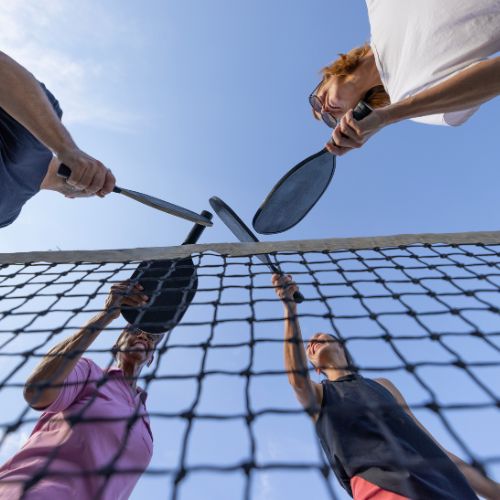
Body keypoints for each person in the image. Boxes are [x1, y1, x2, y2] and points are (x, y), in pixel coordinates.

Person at [272, 273, 500, 500]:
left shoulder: (383, 385)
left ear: (340, 345)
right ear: (317, 370)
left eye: (319, 337)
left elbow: (429, 443)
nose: (312, 342)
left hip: (445, 488)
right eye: (309, 346)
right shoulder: (321, 394)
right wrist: (289, 308)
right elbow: (297, 380)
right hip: (385, 489)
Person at [0, 281, 159, 499]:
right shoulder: (89, 372)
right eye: (134, 330)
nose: (143, 336)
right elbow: (37, 392)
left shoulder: (145, 421)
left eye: (151, 337)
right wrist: (106, 315)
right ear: (116, 345)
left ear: (151, 358)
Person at [309, 0, 500, 157]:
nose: (325, 110)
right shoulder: (412, 102)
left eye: (317, 102)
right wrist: (387, 116)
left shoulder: (377, 6)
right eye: (328, 119)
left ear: (329, 75)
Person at [0, 50, 115, 228]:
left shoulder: (7, 216)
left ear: (70, 197)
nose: (95, 185)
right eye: (96, 176)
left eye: (96, 188)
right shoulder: (41, 125)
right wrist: (66, 148)